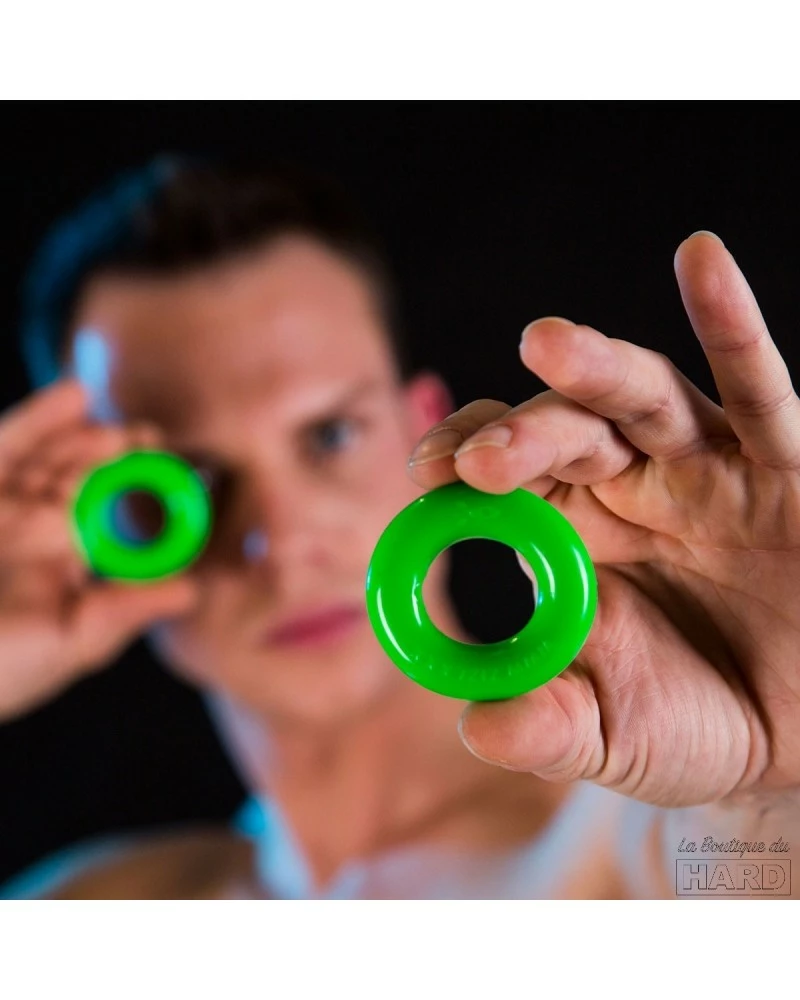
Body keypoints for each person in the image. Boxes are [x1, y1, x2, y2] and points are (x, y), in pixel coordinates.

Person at [1, 156, 799, 899]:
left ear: (421, 424)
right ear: (99, 519)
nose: (279, 541)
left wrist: (774, 782)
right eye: (185, 478)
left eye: (329, 435)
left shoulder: (655, 844)